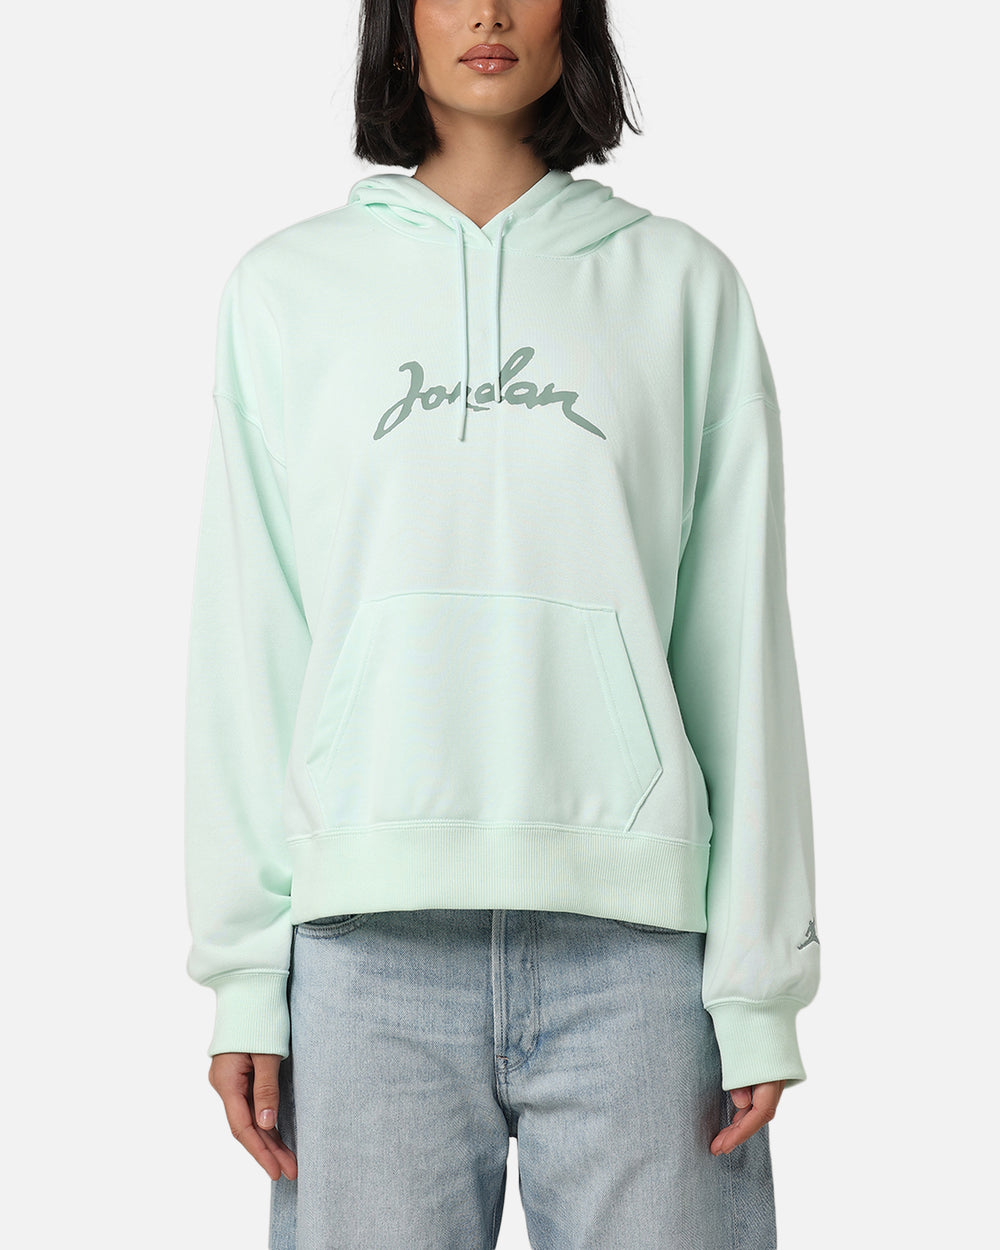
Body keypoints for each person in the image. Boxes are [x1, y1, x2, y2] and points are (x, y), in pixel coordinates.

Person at [183, 0, 821, 1245]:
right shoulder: (286, 291)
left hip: (642, 957)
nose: (486, 11)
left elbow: (739, 646)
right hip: (362, 956)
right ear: (398, 23)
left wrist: (757, 982)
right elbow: (248, 642)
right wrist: (246, 972)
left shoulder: (679, 285)